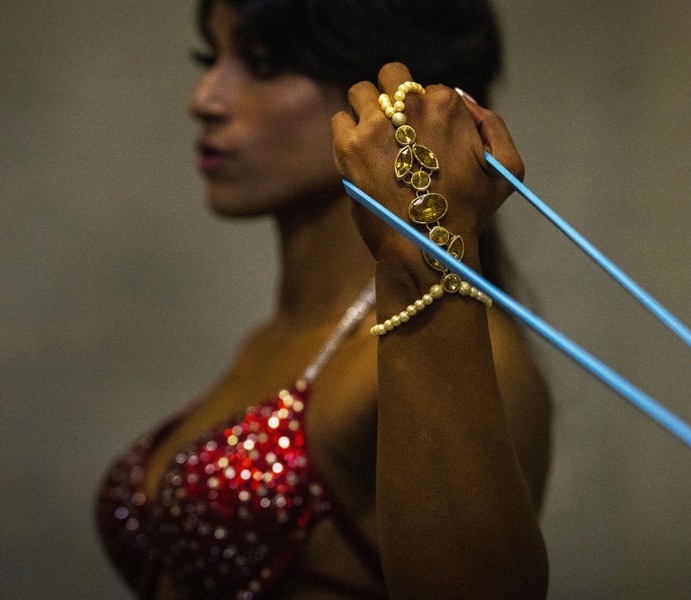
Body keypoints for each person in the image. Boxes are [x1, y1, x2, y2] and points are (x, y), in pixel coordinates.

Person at [96, 1, 552, 598]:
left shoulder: (459, 348)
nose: (204, 98)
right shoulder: (274, 337)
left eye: (263, 63)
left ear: (401, 103)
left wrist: (424, 251)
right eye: (212, 58)